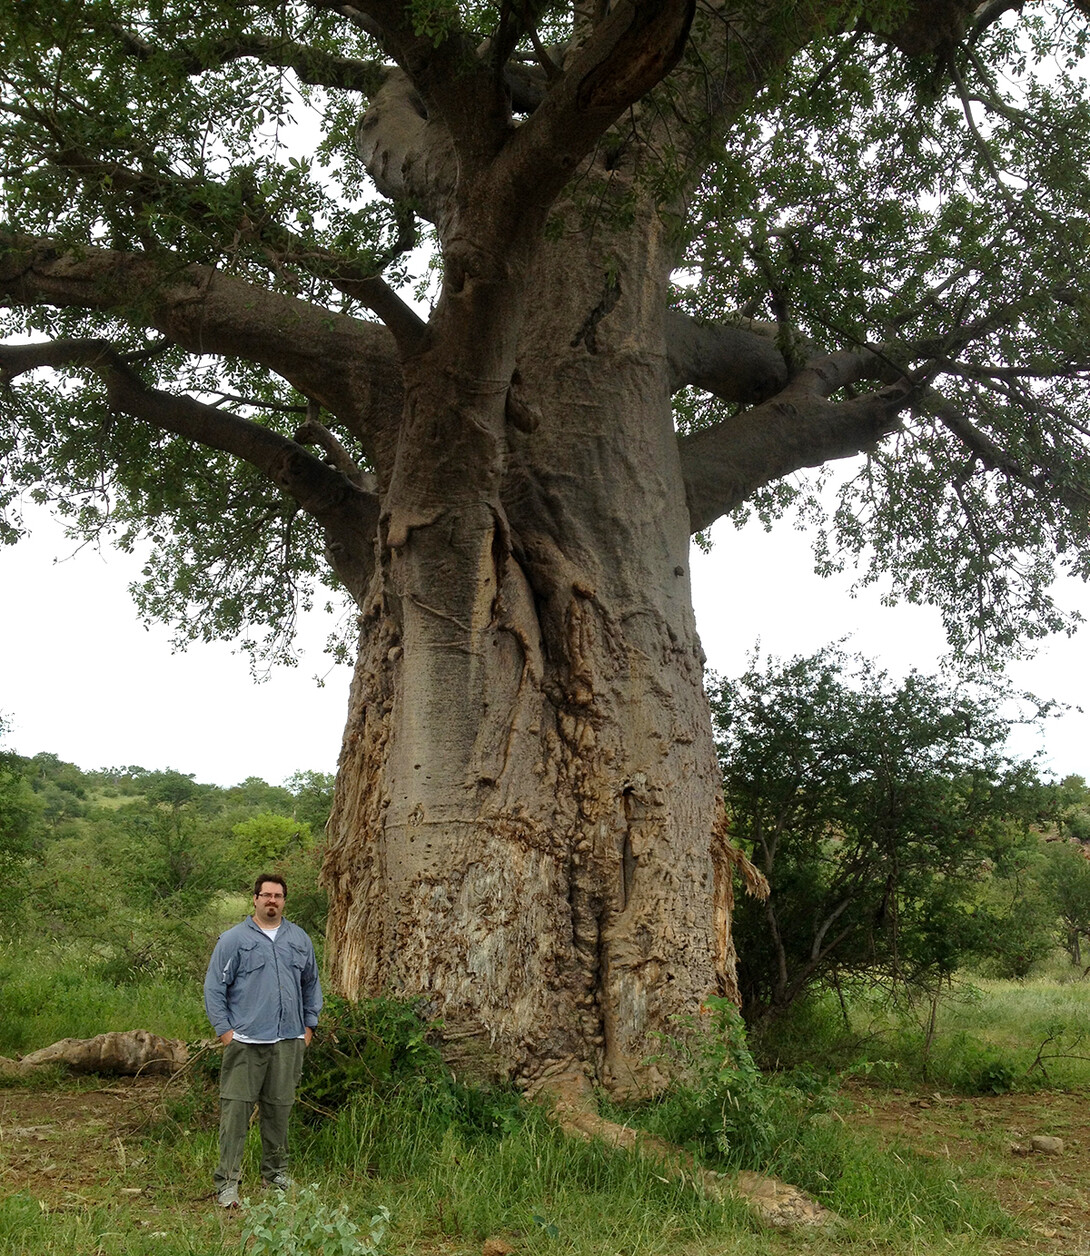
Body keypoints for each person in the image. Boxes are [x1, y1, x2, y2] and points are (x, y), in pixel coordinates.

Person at [203, 873, 322, 1209]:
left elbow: (311, 984)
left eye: (278, 896)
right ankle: (228, 1184)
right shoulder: (234, 940)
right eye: (266, 895)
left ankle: (276, 1174)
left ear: (284, 901)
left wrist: (308, 1027)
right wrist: (225, 1031)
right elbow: (214, 987)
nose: (272, 901)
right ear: (254, 899)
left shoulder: (298, 939)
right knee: (236, 1113)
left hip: (288, 1041)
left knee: (279, 1110)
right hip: (246, 1042)